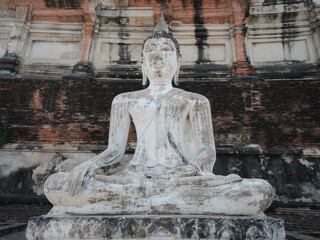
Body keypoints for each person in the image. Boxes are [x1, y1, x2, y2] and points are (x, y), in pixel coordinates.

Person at [44, 15, 274, 216]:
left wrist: (190, 169)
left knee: (259, 191)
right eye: (150, 51)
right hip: (134, 179)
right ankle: (160, 202)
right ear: (142, 64)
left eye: (166, 50)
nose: (158, 56)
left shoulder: (195, 100)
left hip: (182, 180)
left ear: (178, 62)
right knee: (55, 185)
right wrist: (89, 165)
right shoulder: (125, 100)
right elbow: (115, 150)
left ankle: (138, 203)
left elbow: (207, 150)